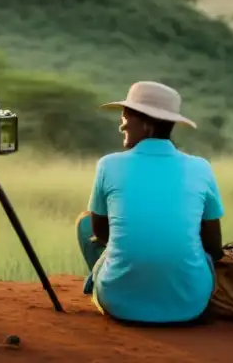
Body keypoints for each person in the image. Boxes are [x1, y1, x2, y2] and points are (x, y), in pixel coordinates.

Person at [76, 81, 225, 325]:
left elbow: (100, 233)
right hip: (190, 304)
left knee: (85, 223)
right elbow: (213, 245)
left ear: (146, 124)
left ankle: (114, 281)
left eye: (126, 116)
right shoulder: (201, 167)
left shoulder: (108, 165)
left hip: (118, 303)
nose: (121, 124)